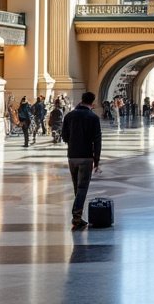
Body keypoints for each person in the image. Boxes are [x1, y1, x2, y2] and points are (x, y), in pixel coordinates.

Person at [62, 91, 102, 230]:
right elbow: (97, 141)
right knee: (82, 188)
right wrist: (96, 160)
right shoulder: (93, 118)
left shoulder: (69, 116)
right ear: (92, 102)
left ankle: (78, 217)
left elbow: (64, 136)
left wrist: (73, 142)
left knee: (77, 187)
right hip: (86, 157)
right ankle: (76, 216)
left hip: (72, 156)